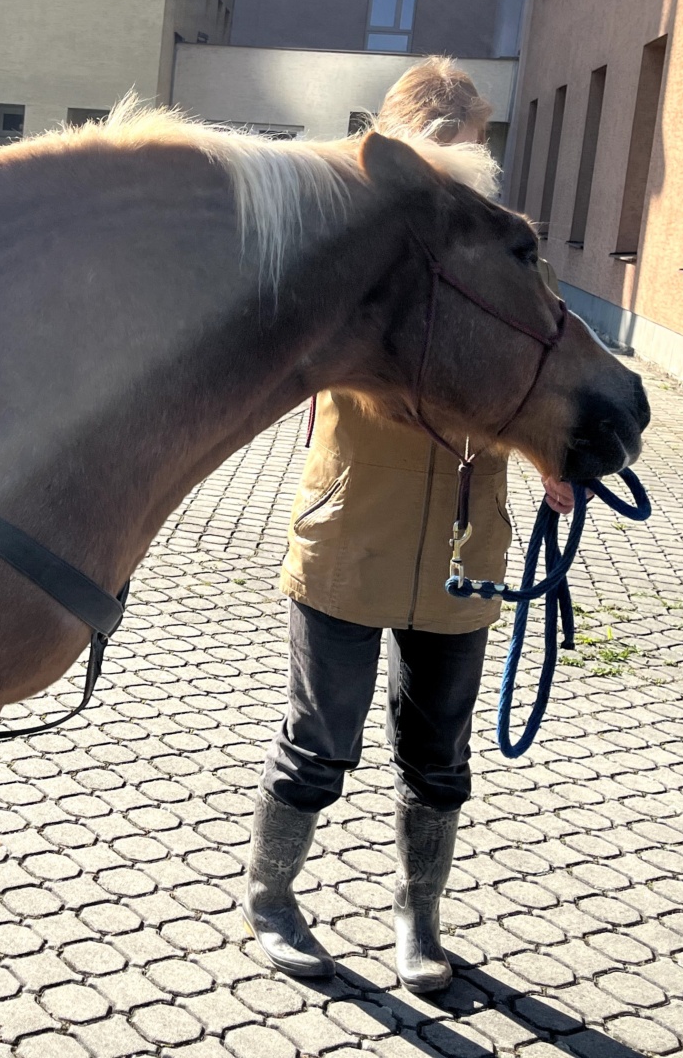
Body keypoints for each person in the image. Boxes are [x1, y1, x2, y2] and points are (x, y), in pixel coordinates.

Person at [242, 57, 574, 995]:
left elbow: (541, 374)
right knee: (319, 743)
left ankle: (417, 915)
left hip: (466, 551)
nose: (458, 177)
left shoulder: (511, 256)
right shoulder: (346, 257)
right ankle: (271, 896)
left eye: (469, 155)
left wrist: (554, 458)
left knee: (438, 758)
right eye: (441, 156)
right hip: (351, 535)